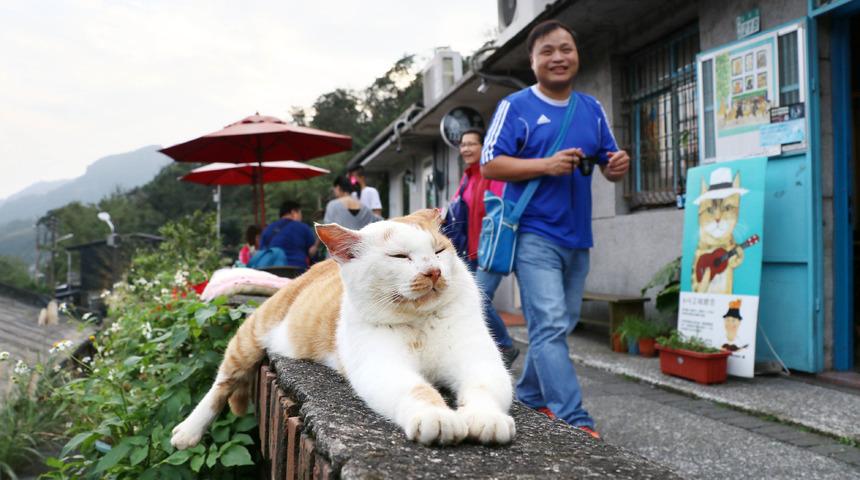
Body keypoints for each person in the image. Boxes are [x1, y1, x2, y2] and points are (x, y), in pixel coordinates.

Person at [480, 20, 630, 440]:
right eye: (547, 51)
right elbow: (490, 164)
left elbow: (609, 163)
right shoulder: (516, 106)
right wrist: (546, 165)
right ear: (532, 61)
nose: (559, 57)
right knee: (548, 324)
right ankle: (574, 419)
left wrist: (618, 166)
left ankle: (529, 395)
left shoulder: (591, 108)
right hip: (533, 234)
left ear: (576, 55)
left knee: (560, 325)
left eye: (566, 49)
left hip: (578, 237)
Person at [454, 127, 520, 368]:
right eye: (463, 144)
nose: (466, 148)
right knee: (471, 298)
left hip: (490, 247)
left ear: (484, 147)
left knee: (477, 297)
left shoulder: (493, 173)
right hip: (469, 249)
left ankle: (504, 345)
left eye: (472, 144)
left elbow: (501, 207)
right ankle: (488, 349)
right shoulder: (467, 178)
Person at [258, 200, 319, 273]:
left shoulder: (268, 229)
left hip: (272, 271)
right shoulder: (303, 228)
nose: (301, 217)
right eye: (300, 213)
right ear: (293, 212)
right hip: (297, 270)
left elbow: (262, 252)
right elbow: (312, 254)